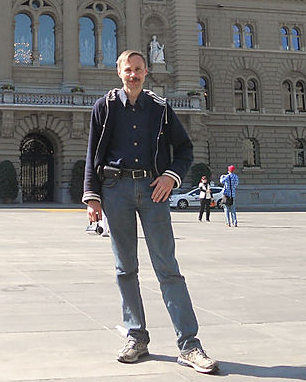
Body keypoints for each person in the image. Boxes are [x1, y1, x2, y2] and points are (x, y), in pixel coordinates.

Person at [83, 50, 217, 374]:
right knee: (124, 268)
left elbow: (184, 149)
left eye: (138, 69)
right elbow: (91, 152)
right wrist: (92, 197)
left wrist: (171, 177)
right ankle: (136, 337)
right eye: (128, 70)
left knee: (168, 268)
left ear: (146, 72)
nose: (133, 75)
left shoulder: (160, 108)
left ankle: (189, 345)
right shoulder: (104, 106)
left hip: (153, 191)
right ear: (119, 72)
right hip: (116, 192)